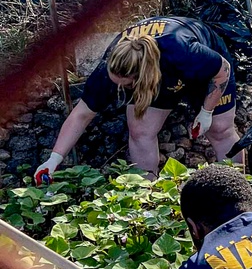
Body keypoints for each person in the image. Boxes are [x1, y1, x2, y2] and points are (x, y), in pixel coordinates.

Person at [35, 16, 240, 181]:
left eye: (124, 85)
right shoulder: (110, 69)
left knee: (220, 128)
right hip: (157, 73)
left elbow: (222, 71)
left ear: (141, 77)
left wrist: (206, 111)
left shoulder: (183, 52)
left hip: (206, 69)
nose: (117, 88)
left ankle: (240, 189)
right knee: (140, 130)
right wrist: (54, 159)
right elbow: (81, 114)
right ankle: (148, 195)